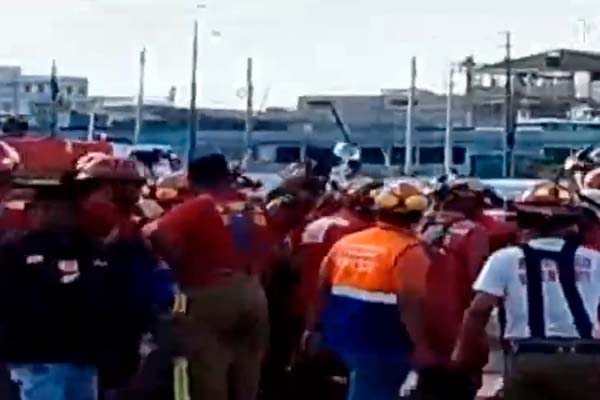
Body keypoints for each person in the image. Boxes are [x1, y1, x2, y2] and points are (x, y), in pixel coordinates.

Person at [453, 181, 600, 400]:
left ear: (523, 220)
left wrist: (462, 357)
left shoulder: (504, 259)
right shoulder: (594, 259)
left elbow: (478, 311)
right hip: (586, 357)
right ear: (573, 223)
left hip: (528, 358)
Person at [146, 153, 273, 400]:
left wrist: (181, 266)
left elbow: (159, 235)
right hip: (254, 292)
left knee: (208, 371)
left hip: (210, 292)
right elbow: (273, 249)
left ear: (192, 180)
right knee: (247, 375)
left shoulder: (199, 206)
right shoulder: (254, 208)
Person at [313, 180, 433, 400]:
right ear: (418, 216)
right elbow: (411, 304)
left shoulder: (347, 243)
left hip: (340, 336)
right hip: (383, 343)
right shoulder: (409, 251)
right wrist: (421, 346)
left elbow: (322, 287)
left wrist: (313, 328)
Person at [0, 175, 117, 400]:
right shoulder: (16, 249)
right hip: (36, 355)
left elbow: (104, 297)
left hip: (82, 355)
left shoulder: (91, 249)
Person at [73, 153, 172, 398]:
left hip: (118, 312)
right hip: (108, 311)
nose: (137, 191)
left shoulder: (126, 218)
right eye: (131, 185)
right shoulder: (106, 216)